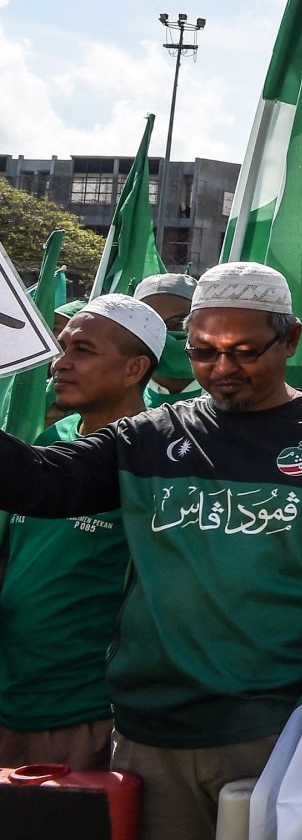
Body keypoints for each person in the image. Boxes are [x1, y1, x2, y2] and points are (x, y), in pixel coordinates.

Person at [0, 262, 302, 840]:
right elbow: (42, 482)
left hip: (278, 735)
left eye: (245, 351)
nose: (223, 369)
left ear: (291, 338)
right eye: (203, 353)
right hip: (151, 739)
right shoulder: (147, 437)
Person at [0, 297, 160, 771]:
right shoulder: (49, 443)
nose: (59, 364)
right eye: (62, 346)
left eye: (82, 350)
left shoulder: (156, 459)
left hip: (84, 716)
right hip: (11, 702)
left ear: (134, 368)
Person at [133, 273, 201, 408]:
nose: (164, 334)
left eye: (178, 322)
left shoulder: (230, 398)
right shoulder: (116, 400)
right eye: (150, 323)